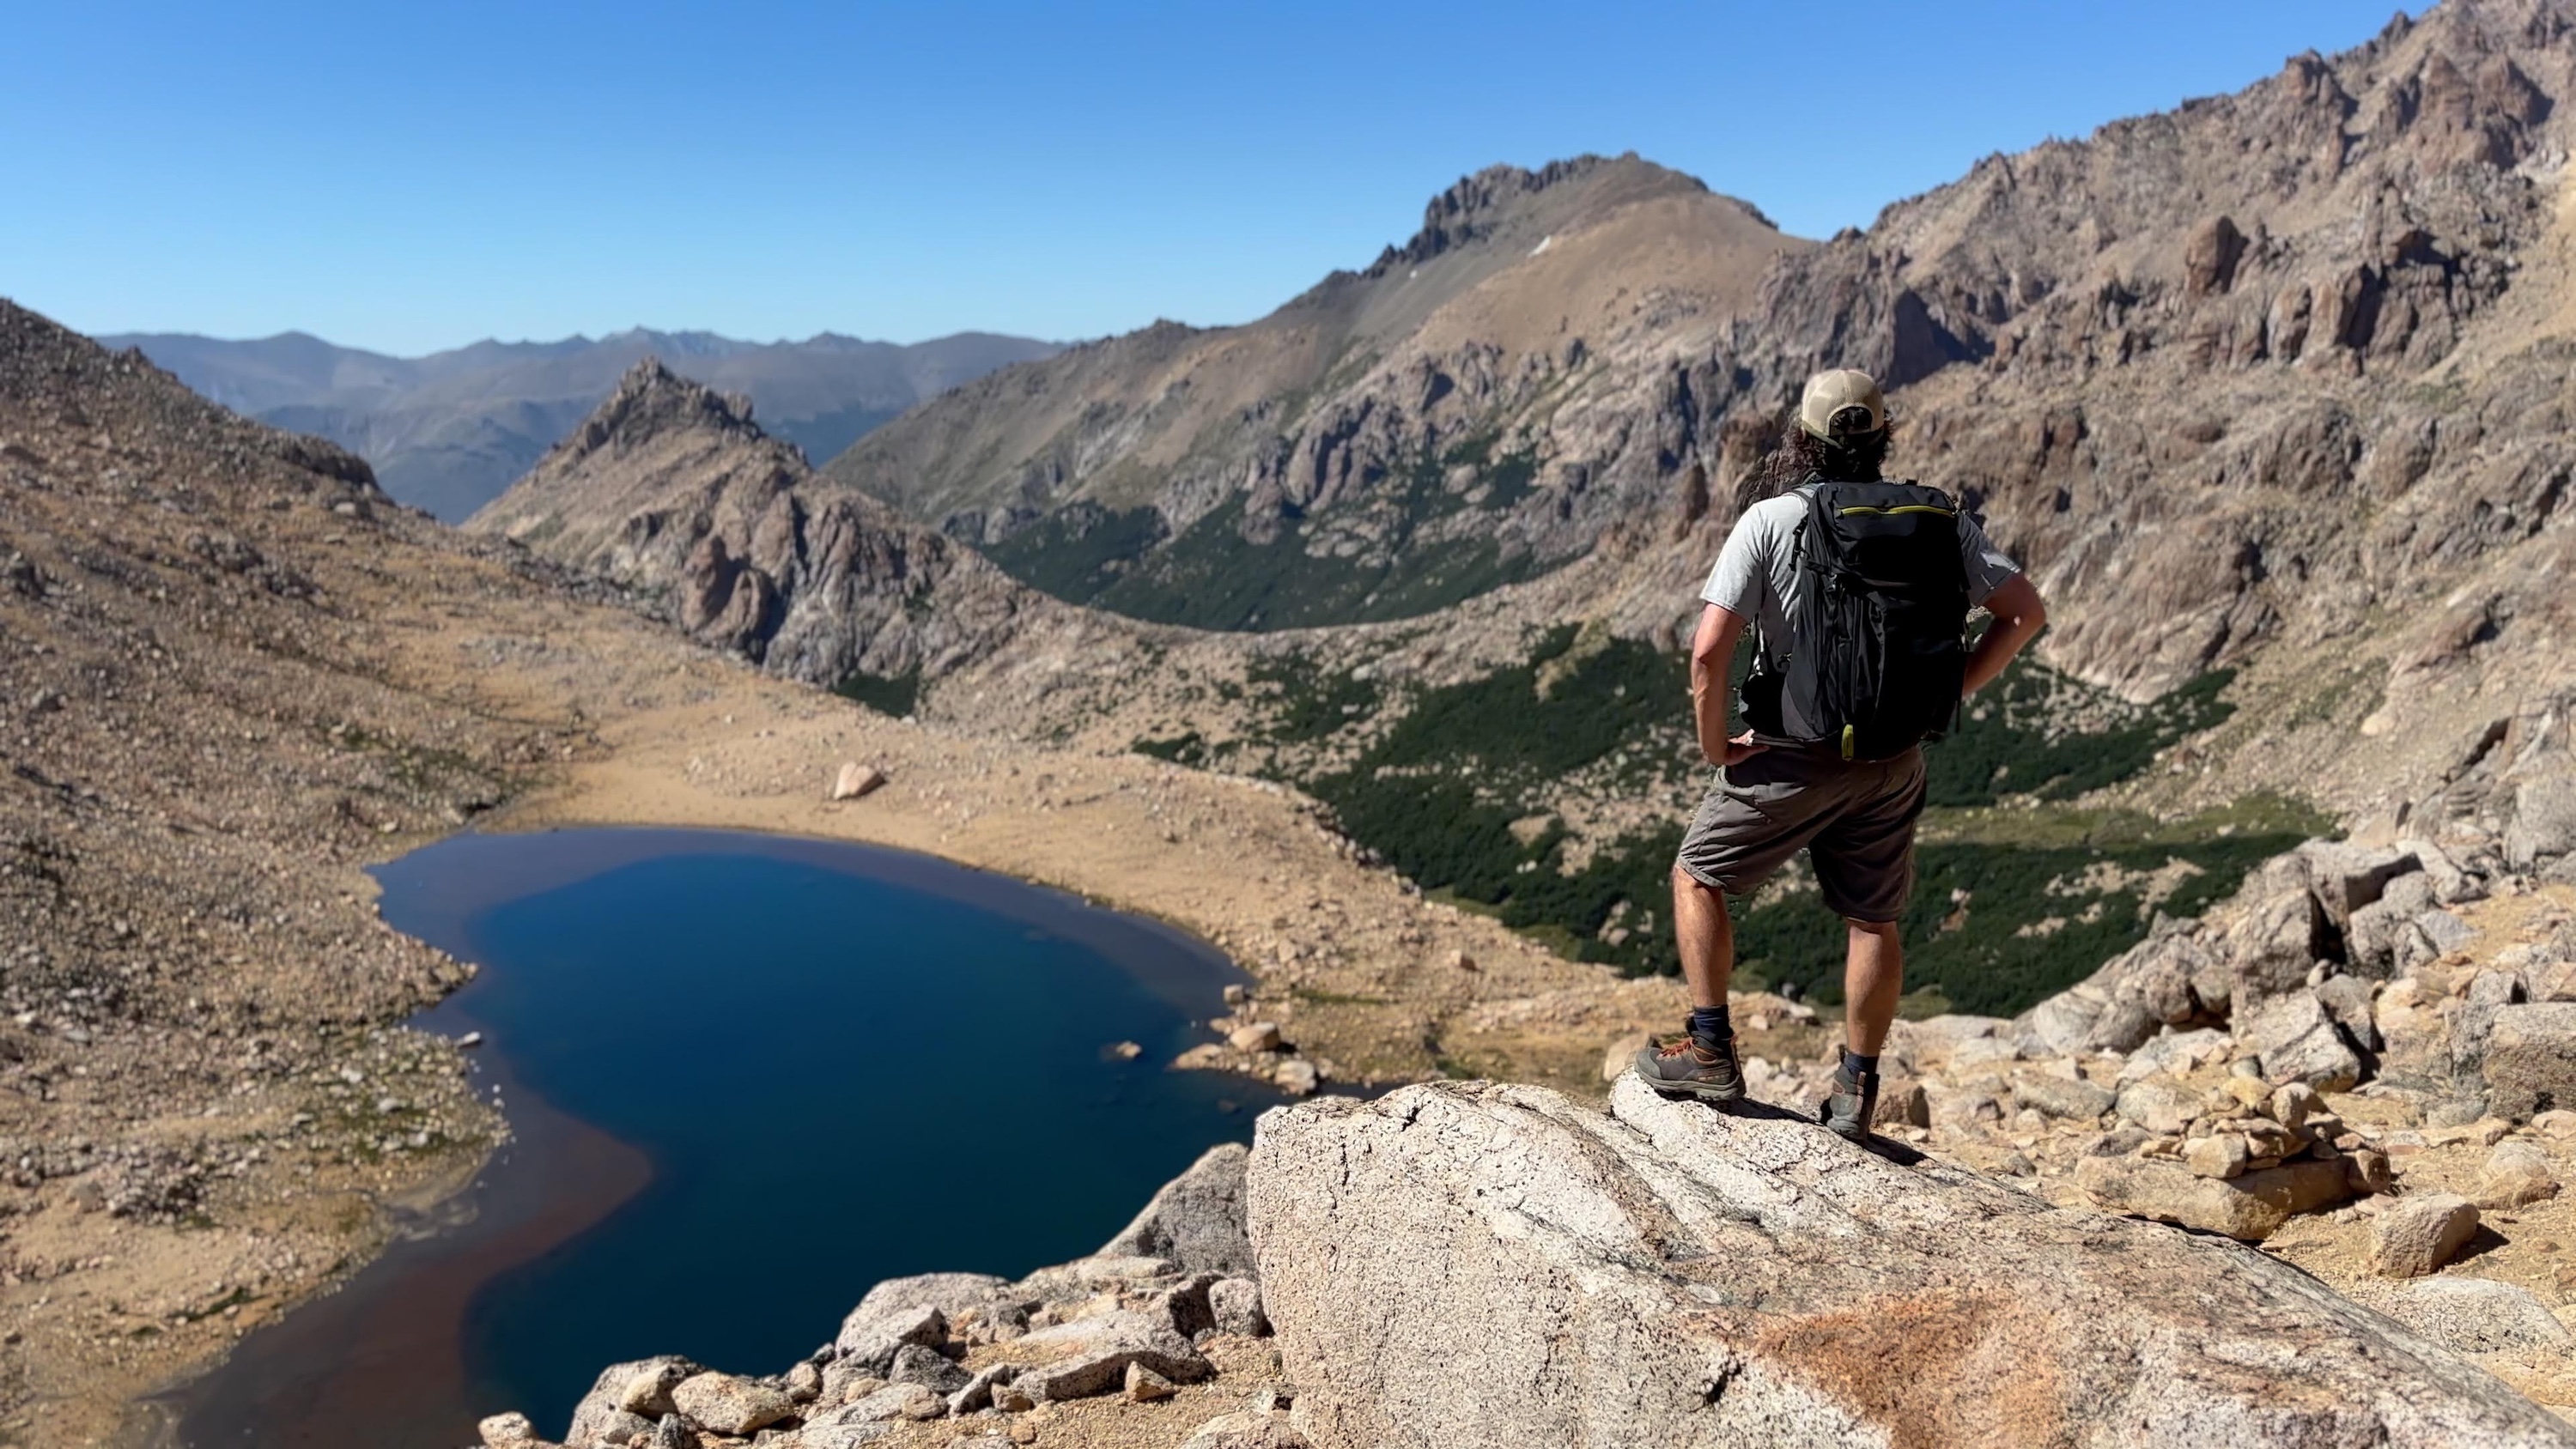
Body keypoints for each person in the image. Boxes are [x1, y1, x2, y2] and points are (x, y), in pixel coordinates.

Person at [1635, 367, 2047, 1142]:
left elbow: (1708, 651)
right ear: (1884, 436)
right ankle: (1856, 1092)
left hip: (1795, 755)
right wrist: (1951, 689)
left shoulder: (1770, 519)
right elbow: (2024, 614)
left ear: (1803, 439)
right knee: (1872, 920)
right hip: (1894, 757)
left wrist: (1716, 743)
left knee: (1697, 874)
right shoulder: (1938, 519)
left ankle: (1712, 1051)